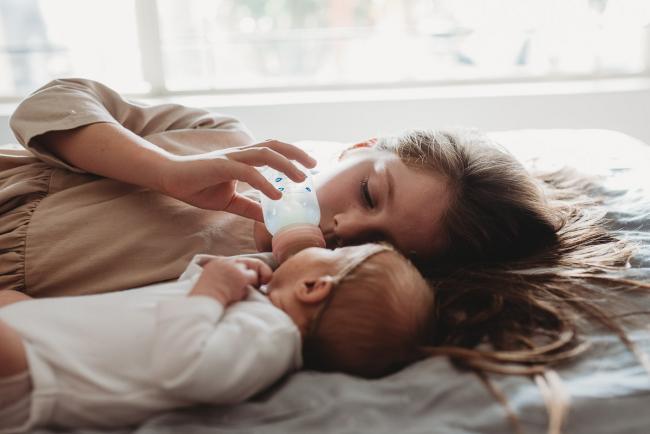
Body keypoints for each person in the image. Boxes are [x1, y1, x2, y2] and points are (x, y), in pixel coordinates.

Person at [2, 78, 560, 297]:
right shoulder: (219, 139)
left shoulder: (274, 296)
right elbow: (49, 105)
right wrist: (164, 170)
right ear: (358, 146)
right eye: (369, 194)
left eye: (384, 246)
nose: (344, 230)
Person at [0, 243, 434, 432]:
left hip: (40, 369)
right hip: (42, 330)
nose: (331, 244)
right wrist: (220, 274)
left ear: (314, 287)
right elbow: (178, 302)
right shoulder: (257, 312)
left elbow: (185, 367)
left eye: (337, 253)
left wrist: (213, 290)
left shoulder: (270, 339)